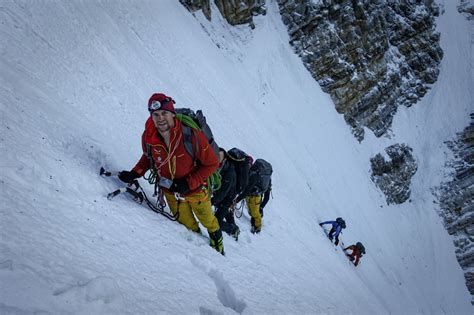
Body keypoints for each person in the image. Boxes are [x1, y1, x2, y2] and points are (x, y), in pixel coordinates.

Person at [118, 93, 224, 255]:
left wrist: (188, 183)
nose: (160, 118)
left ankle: (217, 240)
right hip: (170, 191)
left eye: (164, 113)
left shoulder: (191, 136)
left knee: (208, 221)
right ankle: (201, 251)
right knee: (187, 225)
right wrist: (135, 173)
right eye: (155, 115)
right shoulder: (149, 136)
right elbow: (149, 157)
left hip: (196, 191)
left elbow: (211, 163)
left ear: (172, 114)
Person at [235, 159, 272, 234]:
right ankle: (255, 222)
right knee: (253, 212)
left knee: (255, 213)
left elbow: (247, 190)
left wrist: (237, 199)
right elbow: (267, 195)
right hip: (256, 196)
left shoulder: (254, 175)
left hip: (253, 197)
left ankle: (258, 227)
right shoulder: (264, 177)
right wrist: (261, 207)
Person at [211, 148, 240, 240]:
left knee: (217, 221)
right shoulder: (218, 166)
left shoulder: (229, 173)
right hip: (222, 196)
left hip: (227, 198)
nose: (217, 158)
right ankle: (233, 226)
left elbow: (223, 192)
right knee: (226, 213)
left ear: (225, 159)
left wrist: (211, 201)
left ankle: (233, 229)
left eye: (220, 157)